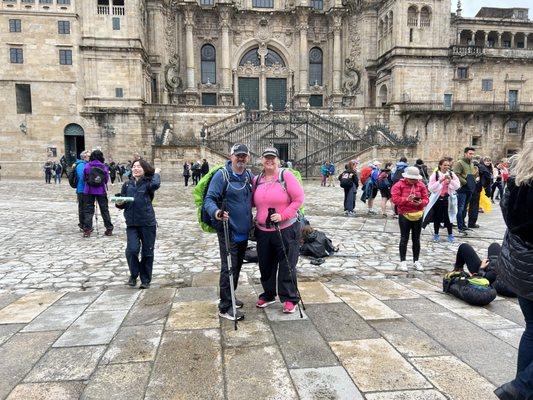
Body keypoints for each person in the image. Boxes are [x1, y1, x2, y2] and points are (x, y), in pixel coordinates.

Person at [493, 139, 533, 400]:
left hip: (519, 266)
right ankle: (522, 388)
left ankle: (521, 390)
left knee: (532, 328)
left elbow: (508, 218)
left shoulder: (516, 181)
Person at [204, 144, 254, 321]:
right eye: (238, 155)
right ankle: (225, 307)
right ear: (231, 156)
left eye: (244, 156)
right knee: (228, 268)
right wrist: (216, 212)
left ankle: (230, 295)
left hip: (243, 230)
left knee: (237, 265)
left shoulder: (248, 176)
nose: (241, 159)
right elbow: (209, 199)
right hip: (228, 230)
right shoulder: (222, 175)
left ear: (248, 157)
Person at [254, 147, 305, 314]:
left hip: (286, 229)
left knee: (287, 264)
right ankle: (268, 294)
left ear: (278, 160)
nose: (269, 161)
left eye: (272, 158)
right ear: (262, 160)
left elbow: (298, 200)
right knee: (266, 265)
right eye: (266, 158)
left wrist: (282, 215)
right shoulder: (257, 179)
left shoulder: (286, 176)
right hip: (263, 230)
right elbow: (250, 202)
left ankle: (290, 298)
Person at [116, 160, 161, 289]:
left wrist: (156, 173)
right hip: (131, 223)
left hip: (147, 223)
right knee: (132, 250)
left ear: (144, 169)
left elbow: (156, 185)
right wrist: (119, 203)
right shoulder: (127, 184)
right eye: (134, 167)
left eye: (138, 167)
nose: (135, 169)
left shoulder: (148, 183)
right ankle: (134, 274)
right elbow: (123, 203)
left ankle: (145, 279)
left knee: (147, 252)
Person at [391, 166, 429, 272]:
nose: (414, 181)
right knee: (404, 238)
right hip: (404, 214)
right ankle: (403, 261)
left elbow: (426, 199)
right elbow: (395, 199)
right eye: (412, 179)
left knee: (416, 239)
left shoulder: (421, 185)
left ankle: (416, 260)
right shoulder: (398, 185)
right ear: (406, 177)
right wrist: (407, 200)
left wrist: (421, 202)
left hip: (418, 214)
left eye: (415, 179)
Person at [423, 158, 460, 243]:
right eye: (444, 165)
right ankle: (436, 234)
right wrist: (440, 181)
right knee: (437, 217)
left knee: (449, 217)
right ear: (440, 165)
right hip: (438, 200)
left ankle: (450, 234)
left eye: (448, 165)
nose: (446, 167)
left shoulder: (451, 174)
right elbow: (431, 188)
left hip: (448, 199)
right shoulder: (435, 175)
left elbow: (457, 186)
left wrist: (450, 181)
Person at [82, 150, 114, 238]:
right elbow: (106, 179)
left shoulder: (88, 165)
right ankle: (109, 228)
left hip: (89, 190)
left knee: (88, 210)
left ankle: (87, 230)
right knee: (104, 210)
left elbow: (84, 177)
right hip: (101, 190)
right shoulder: (104, 166)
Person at [453, 147, 477, 235]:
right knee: (460, 208)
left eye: (473, 154)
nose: (472, 155)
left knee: (465, 208)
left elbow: (470, 175)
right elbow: (456, 175)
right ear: (465, 153)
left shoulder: (471, 164)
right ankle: (460, 227)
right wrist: (466, 182)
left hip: (469, 188)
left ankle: (463, 225)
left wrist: (475, 177)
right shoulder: (459, 163)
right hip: (462, 188)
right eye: (470, 153)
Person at [74, 150, 90, 231]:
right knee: (83, 208)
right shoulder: (80, 165)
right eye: (89, 156)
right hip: (82, 190)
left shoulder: (87, 164)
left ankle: (86, 224)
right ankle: (83, 224)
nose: (90, 158)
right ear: (84, 157)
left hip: (87, 189)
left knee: (87, 208)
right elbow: (82, 176)